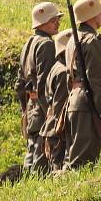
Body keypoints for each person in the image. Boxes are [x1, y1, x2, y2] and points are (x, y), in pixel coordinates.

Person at [63, 0, 101, 169]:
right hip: (87, 105)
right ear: (92, 16)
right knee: (83, 164)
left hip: (74, 101)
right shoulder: (92, 41)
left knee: (73, 160)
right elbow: (98, 81)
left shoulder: (73, 39)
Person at [16, 1, 62, 173]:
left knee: (33, 151)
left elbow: (19, 84)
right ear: (42, 22)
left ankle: (27, 185)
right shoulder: (47, 44)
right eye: (53, 20)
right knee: (42, 156)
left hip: (32, 105)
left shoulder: (28, 43)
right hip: (42, 107)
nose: (57, 22)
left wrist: (25, 109)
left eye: (57, 19)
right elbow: (45, 83)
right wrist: (50, 110)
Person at [39, 29, 72, 172]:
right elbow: (60, 105)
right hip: (57, 128)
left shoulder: (56, 67)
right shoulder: (64, 71)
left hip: (51, 125)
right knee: (58, 169)